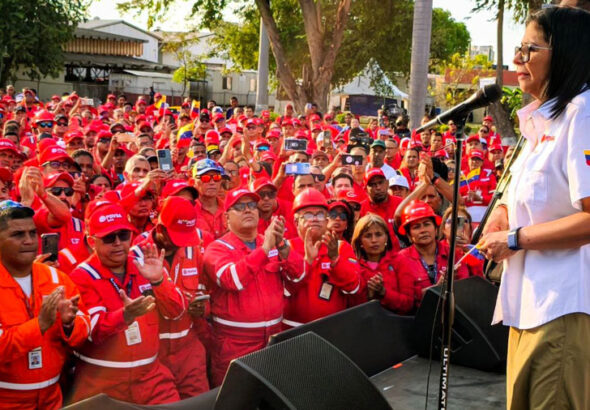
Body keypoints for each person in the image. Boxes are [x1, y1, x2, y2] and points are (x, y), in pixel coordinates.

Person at [478, 8, 590, 409]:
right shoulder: (543, 120)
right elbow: (529, 195)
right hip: (526, 305)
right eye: (519, 48)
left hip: (562, 306)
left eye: (529, 49)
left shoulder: (583, 114)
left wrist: (515, 238)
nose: (517, 60)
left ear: (565, 54)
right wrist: (505, 213)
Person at [69, 204, 183, 404]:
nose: (118, 243)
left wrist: (159, 282)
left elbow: (176, 312)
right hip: (102, 383)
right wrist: (125, 315)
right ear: (91, 242)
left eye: (123, 235)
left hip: (151, 377)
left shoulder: (145, 264)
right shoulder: (81, 276)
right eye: (109, 238)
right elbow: (92, 331)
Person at [202, 188, 304, 386]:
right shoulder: (217, 248)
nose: (247, 210)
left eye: (251, 206)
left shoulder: (273, 243)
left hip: (273, 340)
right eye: (239, 207)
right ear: (226, 218)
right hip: (235, 345)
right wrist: (265, 248)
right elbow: (233, 280)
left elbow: (299, 277)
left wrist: (282, 245)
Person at [0, 200, 90, 409]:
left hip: (52, 398)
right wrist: (39, 324)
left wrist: (68, 325)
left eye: (33, 233)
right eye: (18, 235)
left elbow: (85, 324)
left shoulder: (56, 277)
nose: (29, 241)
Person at [131, 197, 209, 398]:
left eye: (185, 236)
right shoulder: (137, 255)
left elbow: (205, 289)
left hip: (189, 351)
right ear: (159, 228)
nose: (180, 243)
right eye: (176, 237)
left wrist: (203, 308)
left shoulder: (193, 248)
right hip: (154, 355)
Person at [283, 188, 363, 328]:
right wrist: (307, 261)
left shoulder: (341, 248)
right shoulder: (287, 248)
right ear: (296, 223)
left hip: (331, 330)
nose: (314, 219)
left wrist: (335, 260)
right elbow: (284, 291)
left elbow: (354, 288)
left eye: (320, 214)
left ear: (327, 221)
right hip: (293, 332)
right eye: (307, 215)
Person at [396, 200, 469, 309]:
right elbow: (406, 302)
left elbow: (465, 289)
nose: (423, 230)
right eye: (416, 227)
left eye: (427, 224)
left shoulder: (453, 254)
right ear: (408, 236)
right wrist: (439, 287)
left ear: (436, 229)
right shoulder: (401, 259)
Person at [351, 214, 414, 314]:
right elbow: (348, 307)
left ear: (386, 238)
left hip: (396, 324)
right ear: (359, 241)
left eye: (378, 234)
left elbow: (408, 303)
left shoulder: (400, 261)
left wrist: (384, 293)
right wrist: (369, 296)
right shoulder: (353, 265)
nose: (374, 240)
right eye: (368, 236)